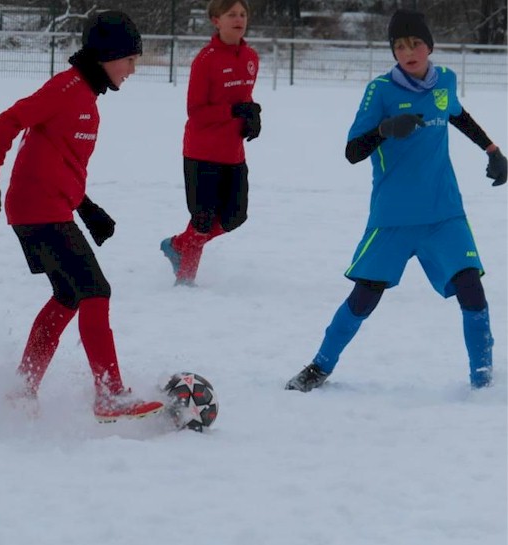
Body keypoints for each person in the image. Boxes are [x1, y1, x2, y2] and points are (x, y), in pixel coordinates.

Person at [285, 9, 508, 393]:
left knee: (472, 289)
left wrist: (492, 150)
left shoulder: (446, 81)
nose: (409, 51)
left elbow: (457, 113)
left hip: (444, 213)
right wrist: (387, 128)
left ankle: (483, 378)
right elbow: (353, 151)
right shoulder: (381, 90)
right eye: (400, 46)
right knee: (364, 297)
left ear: (430, 46)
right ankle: (319, 367)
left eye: (416, 43)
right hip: (393, 218)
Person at [0, 11, 164, 422]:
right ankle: (109, 393)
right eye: (129, 59)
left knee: (69, 296)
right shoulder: (65, 88)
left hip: (50, 208)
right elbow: (7, 121)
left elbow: (58, 163)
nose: (132, 69)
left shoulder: (87, 99)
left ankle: (23, 389)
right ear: (107, 56)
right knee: (95, 290)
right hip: (36, 211)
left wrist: (86, 207)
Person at [160, 0, 260, 286]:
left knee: (235, 217)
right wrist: (233, 111)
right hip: (202, 153)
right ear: (216, 20)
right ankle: (185, 282)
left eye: (242, 14)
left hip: (233, 153)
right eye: (232, 15)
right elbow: (196, 111)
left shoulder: (252, 56)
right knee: (202, 220)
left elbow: (244, 98)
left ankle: (179, 244)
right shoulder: (205, 60)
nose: (238, 19)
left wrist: (252, 115)